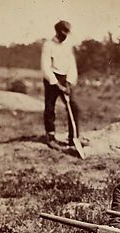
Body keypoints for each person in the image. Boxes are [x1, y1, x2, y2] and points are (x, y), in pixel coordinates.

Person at [41, 20, 80, 149]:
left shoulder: (68, 46)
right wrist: (56, 84)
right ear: (57, 32)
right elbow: (45, 67)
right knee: (50, 108)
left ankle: (73, 138)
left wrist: (69, 82)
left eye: (67, 33)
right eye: (63, 33)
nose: (65, 36)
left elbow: (72, 65)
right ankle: (50, 136)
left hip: (65, 78)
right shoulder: (48, 45)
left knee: (74, 107)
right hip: (51, 78)